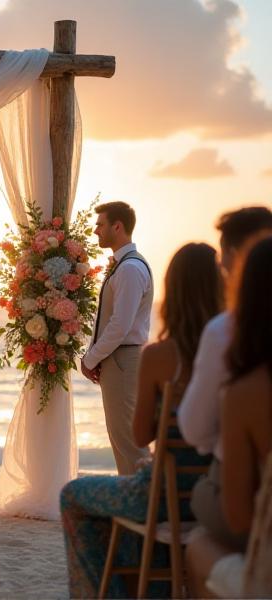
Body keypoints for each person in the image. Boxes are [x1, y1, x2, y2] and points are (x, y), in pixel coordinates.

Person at [60, 243, 222, 598]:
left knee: (72, 496)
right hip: (219, 492)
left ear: (173, 292)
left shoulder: (161, 357)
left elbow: (140, 433)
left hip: (166, 497)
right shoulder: (239, 355)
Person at [178, 207, 272, 548]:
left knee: (200, 534)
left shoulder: (223, 332)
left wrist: (224, 435)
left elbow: (195, 429)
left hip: (245, 491)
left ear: (235, 258)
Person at [82, 201, 153, 475]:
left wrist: (90, 358)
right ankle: (138, 500)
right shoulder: (122, 266)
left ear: (118, 226)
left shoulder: (130, 269)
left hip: (124, 358)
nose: (95, 230)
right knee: (121, 437)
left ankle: (144, 503)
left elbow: (120, 325)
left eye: (100, 224)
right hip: (119, 358)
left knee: (127, 439)